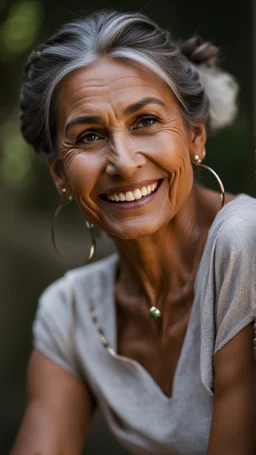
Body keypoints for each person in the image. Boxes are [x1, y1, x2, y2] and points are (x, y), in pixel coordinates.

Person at [11, 10, 256, 455]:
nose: (123, 162)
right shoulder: (70, 313)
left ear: (196, 137)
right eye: (88, 136)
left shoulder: (245, 241)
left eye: (145, 121)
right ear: (60, 176)